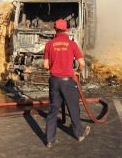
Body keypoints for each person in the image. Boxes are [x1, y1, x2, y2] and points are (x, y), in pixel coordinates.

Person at [43, 19, 90, 148]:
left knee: (53, 110)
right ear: (66, 30)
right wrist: (77, 72)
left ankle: (49, 140)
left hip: (54, 81)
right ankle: (79, 134)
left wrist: (55, 66)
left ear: (55, 30)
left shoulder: (49, 44)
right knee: (73, 108)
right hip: (68, 82)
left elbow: (46, 65)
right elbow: (82, 64)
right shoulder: (72, 44)